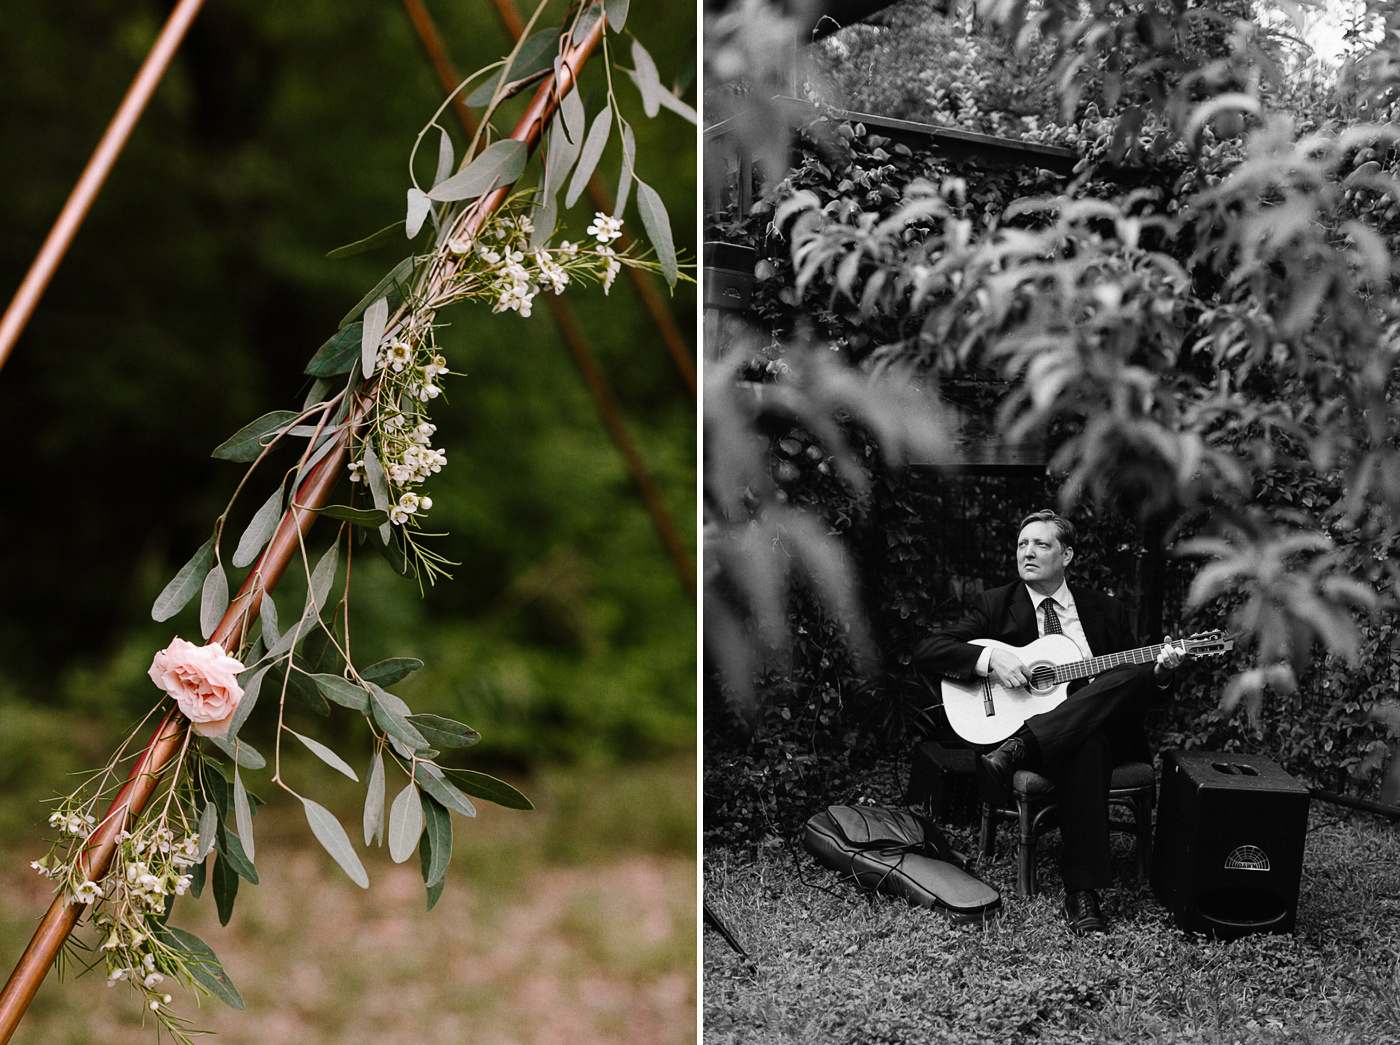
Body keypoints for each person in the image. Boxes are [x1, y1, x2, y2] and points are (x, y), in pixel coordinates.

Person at [914, 509, 1185, 935]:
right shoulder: (996, 604)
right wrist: (991, 659)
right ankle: (1082, 893)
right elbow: (927, 649)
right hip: (1064, 745)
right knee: (1087, 744)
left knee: (1129, 671)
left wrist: (1162, 674)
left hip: (1101, 734)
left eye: (1041, 544)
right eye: (1023, 544)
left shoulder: (1106, 610)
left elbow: (1136, 691)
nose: (1028, 551)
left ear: (1068, 554)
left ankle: (1022, 745)